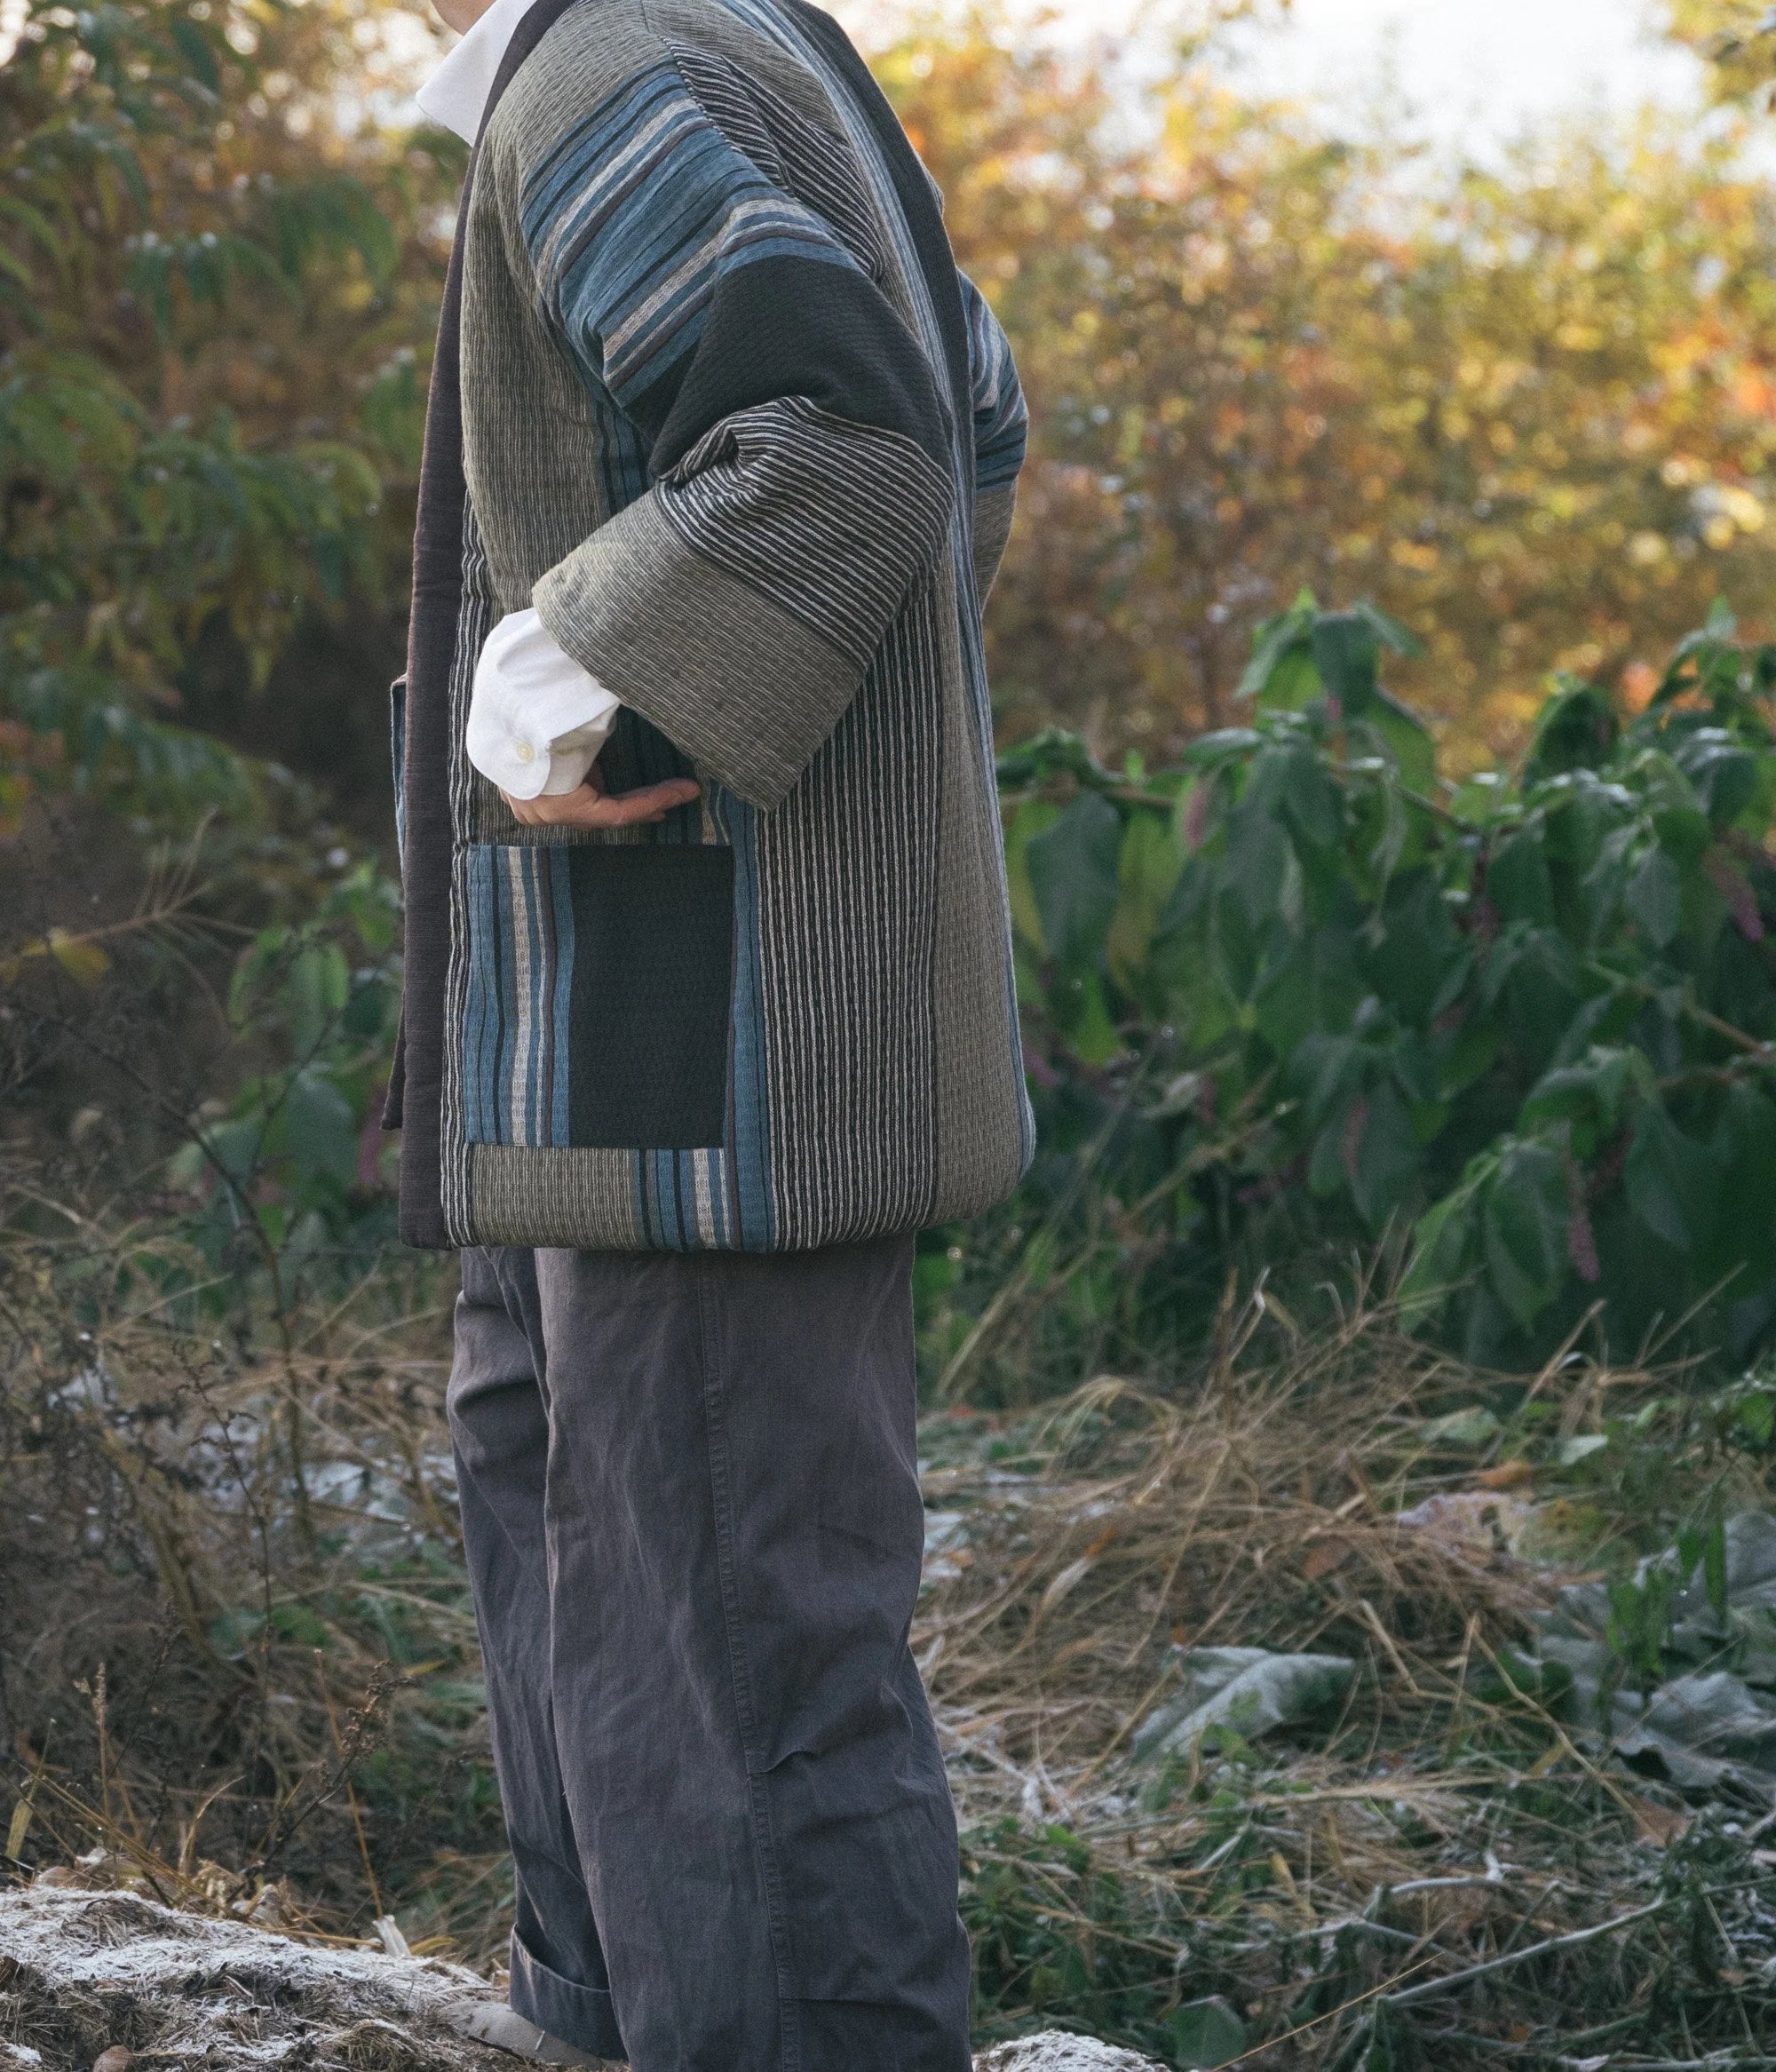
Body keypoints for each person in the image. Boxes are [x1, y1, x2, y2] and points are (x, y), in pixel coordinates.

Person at [386, 0, 1031, 2064]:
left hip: (705, 1060)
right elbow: (977, 402)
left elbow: (849, 443)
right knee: (579, 1546)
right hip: (607, 1034)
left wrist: (592, 691)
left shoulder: (611, 65)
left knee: (729, 1660)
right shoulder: (724, 39)